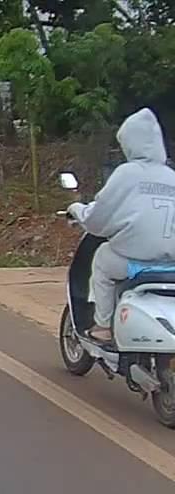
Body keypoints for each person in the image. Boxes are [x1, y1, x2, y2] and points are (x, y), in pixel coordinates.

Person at [70, 108, 175, 343]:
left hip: (136, 263)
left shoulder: (126, 174)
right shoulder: (172, 176)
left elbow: (98, 217)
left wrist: (77, 210)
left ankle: (103, 327)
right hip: (171, 265)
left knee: (102, 259)